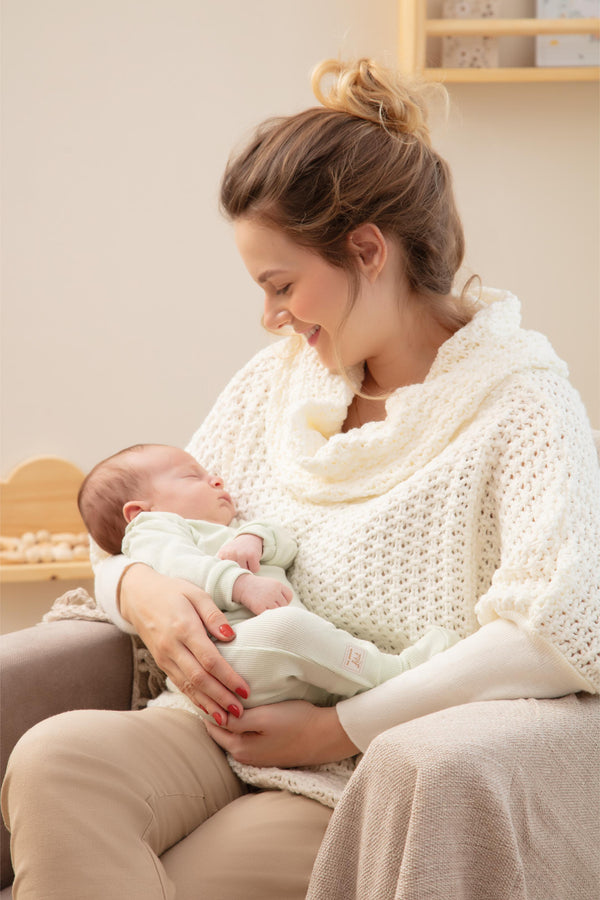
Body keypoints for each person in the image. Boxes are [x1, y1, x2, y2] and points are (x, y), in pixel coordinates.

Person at [3, 58, 599, 900]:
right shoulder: (278, 382)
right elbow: (153, 522)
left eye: (282, 286)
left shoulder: (523, 406)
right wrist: (136, 585)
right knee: (53, 757)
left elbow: (552, 632)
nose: (270, 317)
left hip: (351, 768)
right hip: (209, 723)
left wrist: (333, 728)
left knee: (191, 878)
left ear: (366, 250)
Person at [77, 442, 457, 714]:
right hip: (227, 656)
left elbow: (286, 544)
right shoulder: (151, 531)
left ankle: (345, 700)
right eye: (193, 476)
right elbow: (180, 568)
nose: (216, 480)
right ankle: (397, 674)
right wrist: (240, 584)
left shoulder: (234, 528)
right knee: (288, 629)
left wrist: (255, 537)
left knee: (304, 637)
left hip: (279, 670)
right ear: (138, 511)